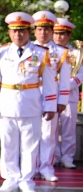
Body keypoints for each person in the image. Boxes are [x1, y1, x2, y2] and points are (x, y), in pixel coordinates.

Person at [0, 12, 58, 192]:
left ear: (29, 32)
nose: (18, 35)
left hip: (31, 103)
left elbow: (49, 83)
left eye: (22, 31)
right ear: (9, 32)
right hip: (6, 103)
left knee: (30, 146)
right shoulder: (1, 52)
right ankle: (10, 179)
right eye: (14, 31)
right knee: (8, 145)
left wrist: (50, 106)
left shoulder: (41, 53)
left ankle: (27, 181)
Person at [32, 11, 69, 182]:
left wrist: (61, 101)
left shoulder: (61, 53)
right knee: (30, 134)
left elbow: (65, 80)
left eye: (47, 29)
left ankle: (46, 167)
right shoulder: (28, 49)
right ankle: (30, 167)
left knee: (48, 134)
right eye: (40, 29)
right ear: (34, 31)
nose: (43, 33)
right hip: (30, 95)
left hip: (50, 96)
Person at [54, 18, 82, 168]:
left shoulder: (77, 53)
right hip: (51, 95)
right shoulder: (47, 51)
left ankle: (67, 157)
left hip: (69, 95)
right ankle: (54, 156)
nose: (59, 37)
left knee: (69, 128)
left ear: (69, 35)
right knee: (50, 129)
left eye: (63, 34)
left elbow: (80, 74)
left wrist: (67, 85)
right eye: (56, 33)